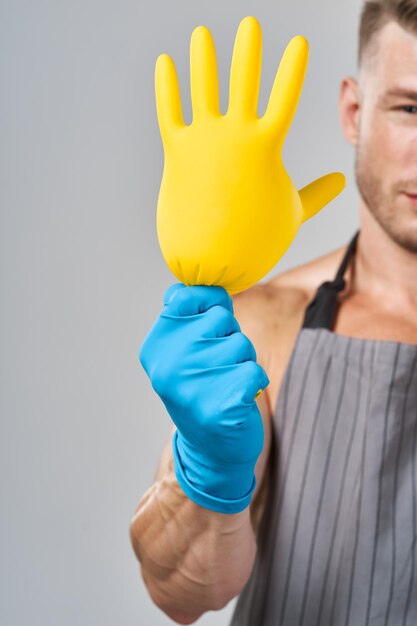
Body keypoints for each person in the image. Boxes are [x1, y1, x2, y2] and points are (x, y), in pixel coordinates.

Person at [129, 1, 417, 623]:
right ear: (354, 111)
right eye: (410, 109)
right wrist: (207, 472)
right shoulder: (263, 327)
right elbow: (179, 587)